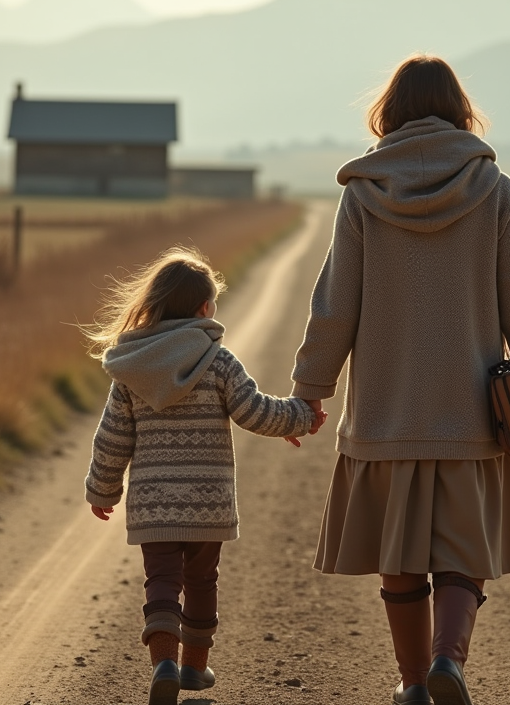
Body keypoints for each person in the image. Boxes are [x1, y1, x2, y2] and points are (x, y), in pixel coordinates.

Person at [291, 55, 510, 705]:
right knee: (464, 552)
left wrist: (310, 389)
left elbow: (335, 307)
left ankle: (412, 684)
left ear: (391, 111)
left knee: (400, 553)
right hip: (470, 411)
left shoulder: (362, 195)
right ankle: (449, 661)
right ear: (460, 108)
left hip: (385, 414)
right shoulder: (494, 190)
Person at [81, 246, 325, 705]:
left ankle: (164, 666)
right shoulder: (218, 361)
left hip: (154, 504)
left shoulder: (131, 370)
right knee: (201, 582)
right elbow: (254, 411)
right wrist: (299, 419)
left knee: (162, 582)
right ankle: (193, 668)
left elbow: (112, 439)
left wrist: (102, 488)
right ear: (205, 308)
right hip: (207, 501)